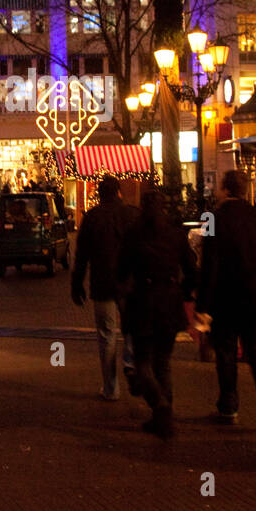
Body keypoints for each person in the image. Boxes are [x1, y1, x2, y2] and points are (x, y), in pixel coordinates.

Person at [197, 169, 256, 427]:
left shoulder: (214, 220)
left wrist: (202, 306)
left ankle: (229, 405)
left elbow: (209, 266)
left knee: (226, 354)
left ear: (226, 190)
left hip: (225, 300)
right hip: (254, 297)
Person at [117, 190, 196, 438]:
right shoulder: (176, 234)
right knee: (163, 362)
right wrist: (183, 291)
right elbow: (192, 270)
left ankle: (160, 406)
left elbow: (121, 269)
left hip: (143, 299)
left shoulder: (134, 234)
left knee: (143, 361)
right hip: (169, 300)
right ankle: (164, 414)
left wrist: (123, 290)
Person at [71, 175, 141, 401]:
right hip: (130, 283)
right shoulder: (132, 214)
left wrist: (77, 283)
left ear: (99, 194)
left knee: (106, 335)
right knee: (132, 328)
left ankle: (111, 387)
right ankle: (130, 360)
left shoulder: (92, 217)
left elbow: (81, 255)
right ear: (119, 192)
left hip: (102, 282)